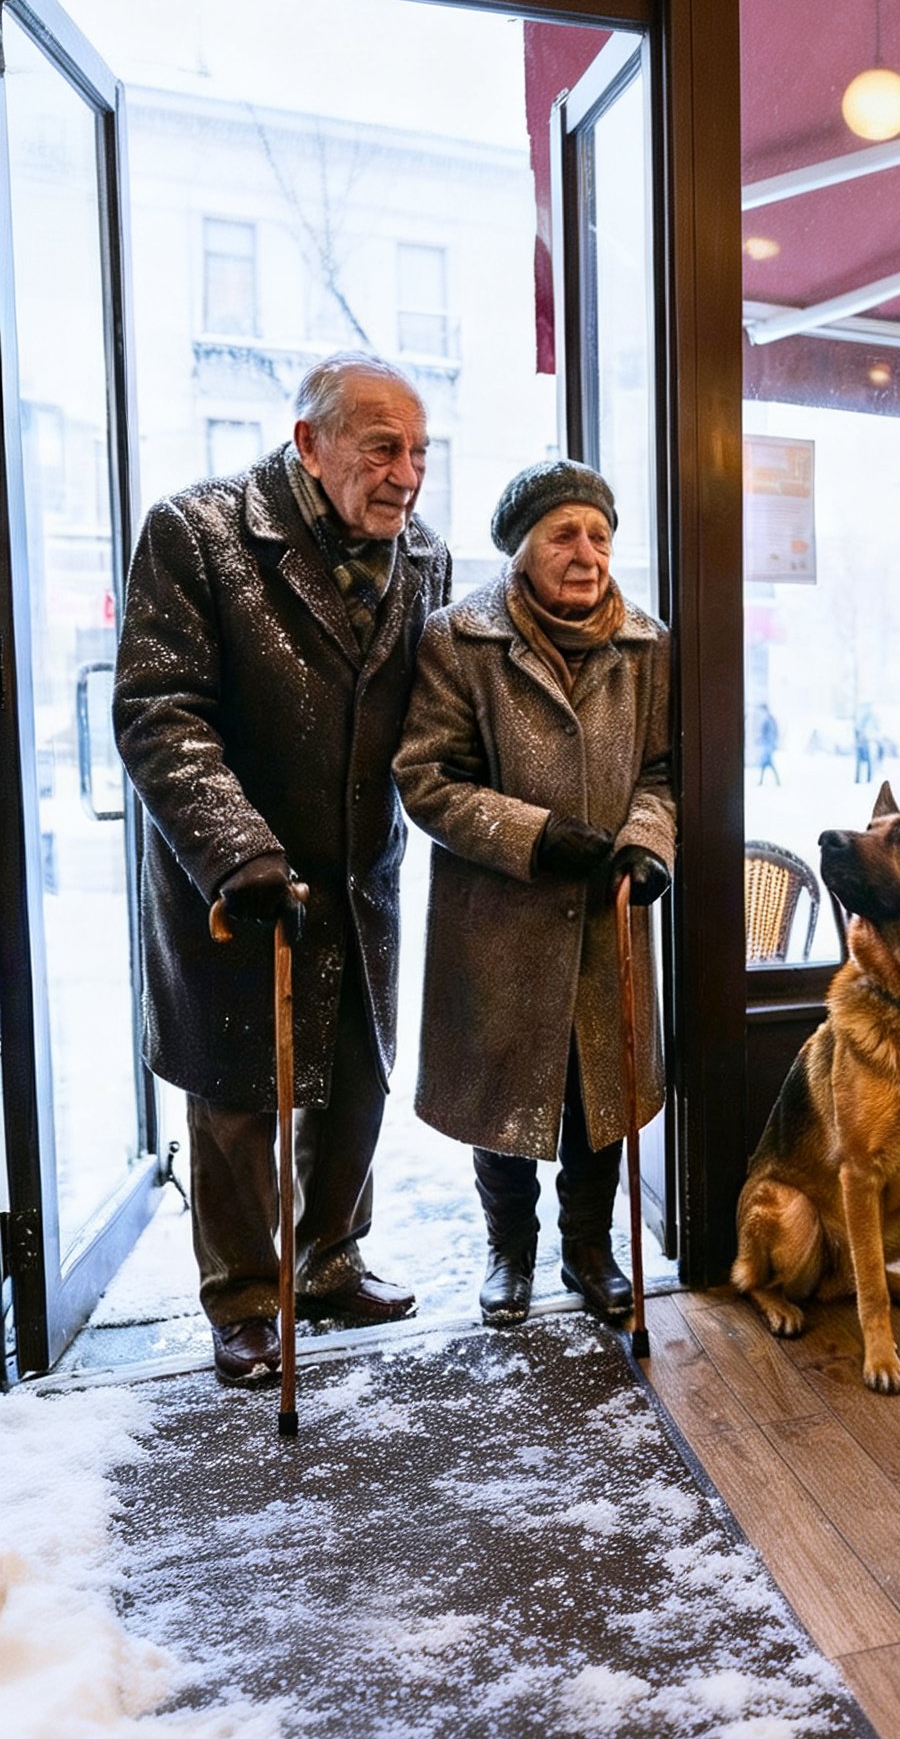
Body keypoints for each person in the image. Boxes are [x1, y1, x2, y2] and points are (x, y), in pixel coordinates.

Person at [113, 354, 449, 1387]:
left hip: (359, 877)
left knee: (354, 1076)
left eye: (420, 453)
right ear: (308, 443)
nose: (405, 475)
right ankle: (247, 1295)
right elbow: (159, 710)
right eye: (381, 448)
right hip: (234, 882)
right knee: (237, 1092)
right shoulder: (197, 533)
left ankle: (330, 1255)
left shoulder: (423, 557)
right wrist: (237, 851)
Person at [394, 459, 674, 1329]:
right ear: (522, 549)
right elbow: (426, 778)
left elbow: (662, 773)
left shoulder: (648, 646)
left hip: (605, 918)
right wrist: (535, 834)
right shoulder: (457, 639)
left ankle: (589, 1251)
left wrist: (646, 844)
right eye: (565, 534)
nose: (587, 552)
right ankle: (507, 1252)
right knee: (505, 1095)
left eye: (599, 534)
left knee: (603, 1093)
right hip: (501, 917)